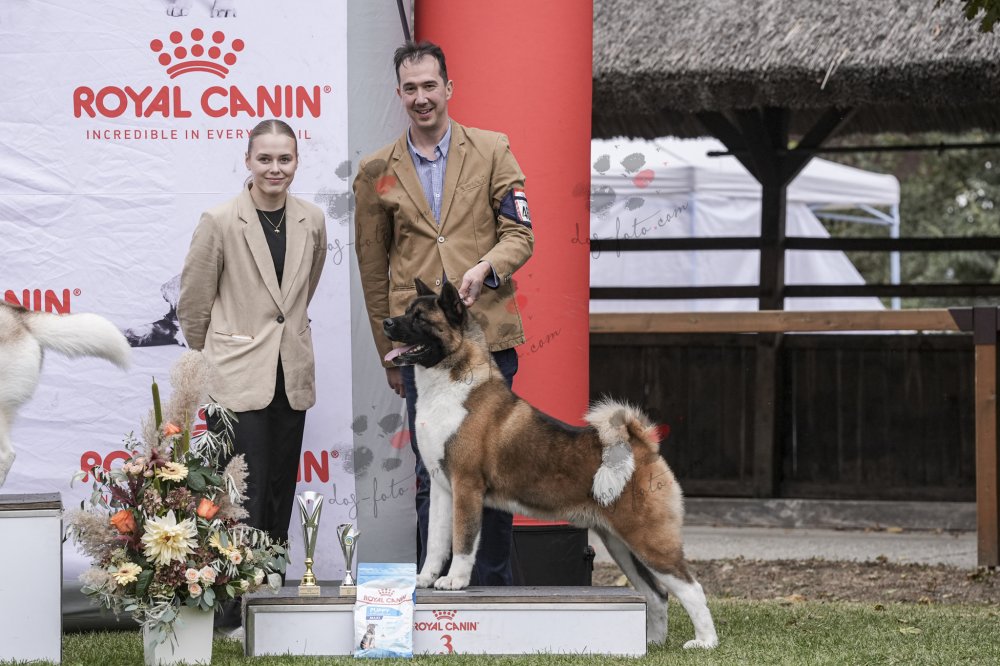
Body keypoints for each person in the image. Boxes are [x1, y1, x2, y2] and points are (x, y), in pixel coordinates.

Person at [353, 40, 534, 586]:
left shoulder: (493, 149)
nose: (421, 97)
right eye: (410, 88)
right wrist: (390, 354)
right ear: (399, 94)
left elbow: (520, 234)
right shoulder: (376, 170)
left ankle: (493, 591)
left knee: (493, 470)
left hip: (487, 343)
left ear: (448, 88)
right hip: (423, 352)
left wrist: (486, 268)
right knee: (432, 472)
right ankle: (432, 599)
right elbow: (373, 268)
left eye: (430, 85)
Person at [178, 118, 327, 622]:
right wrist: (211, 357)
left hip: (291, 374)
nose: (274, 168)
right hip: (234, 375)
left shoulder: (313, 219)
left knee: (281, 486)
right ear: (247, 160)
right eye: (265, 158)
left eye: (285, 158)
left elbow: (300, 294)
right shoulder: (219, 220)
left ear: (297, 162)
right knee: (239, 492)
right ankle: (228, 606)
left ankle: (271, 595)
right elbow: (193, 303)